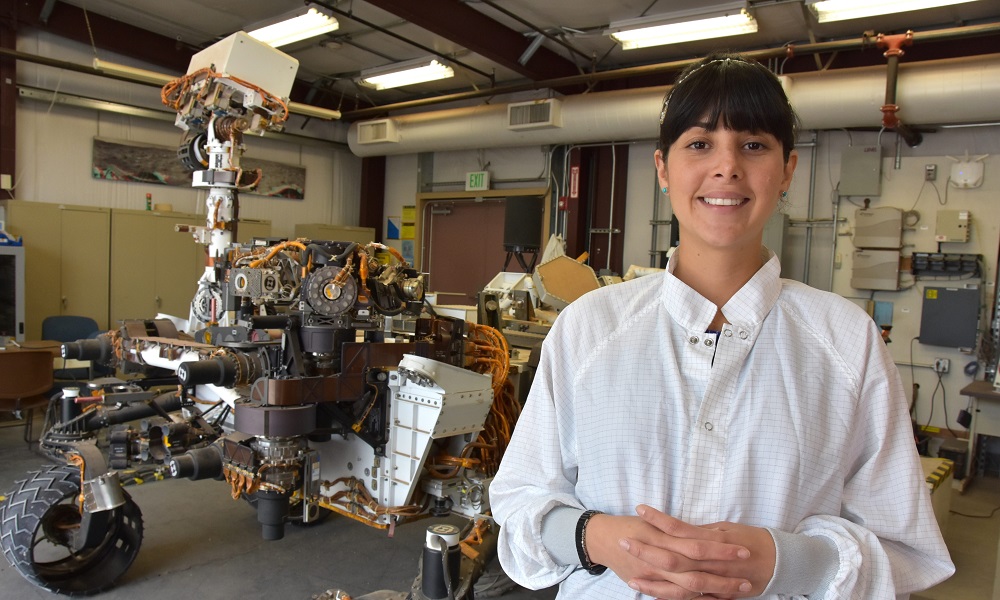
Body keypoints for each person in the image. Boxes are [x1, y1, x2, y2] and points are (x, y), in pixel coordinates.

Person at [489, 52, 954, 599]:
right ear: (663, 169)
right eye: (700, 143)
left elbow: (903, 548)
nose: (727, 166)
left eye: (754, 145)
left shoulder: (845, 342)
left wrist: (784, 561)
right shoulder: (588, 329)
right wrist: (598, 538)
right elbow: (522, 502)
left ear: (788, 170)